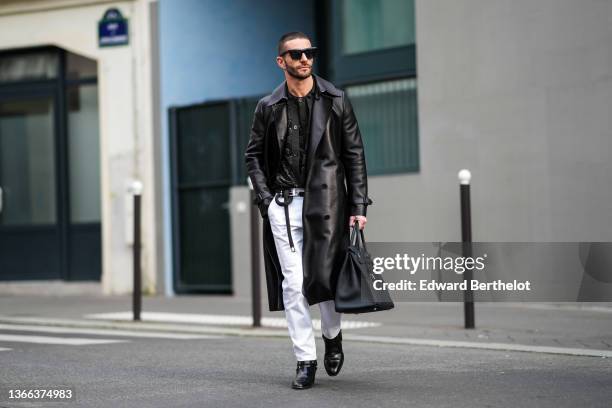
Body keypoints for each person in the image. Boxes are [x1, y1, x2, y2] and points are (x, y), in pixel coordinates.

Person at [244, 31, 372, 390]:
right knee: (294, 284)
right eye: (296, 54)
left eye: (309, 53)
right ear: (281, 61)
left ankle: (332, 336)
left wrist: (359, 204)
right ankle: (305, 359)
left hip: (327, 202)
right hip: (282, 204)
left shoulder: (336, 100)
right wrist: (266, 200)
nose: (304, 59)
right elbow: (252, 156)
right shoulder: (267, 107)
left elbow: (354, 156)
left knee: (324, 279)